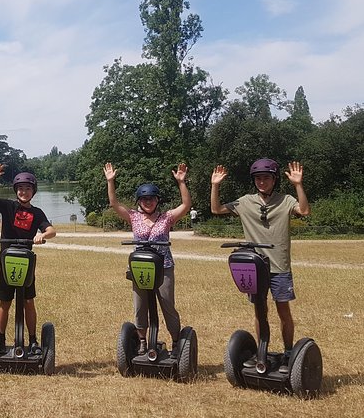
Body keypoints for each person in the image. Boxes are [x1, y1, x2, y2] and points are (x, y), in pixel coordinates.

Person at [210, 159, 310, 373]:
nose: (262, 181)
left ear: (274, 179)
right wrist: (215, 185)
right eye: (258, 178)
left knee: (283, 310)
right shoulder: (245, 202)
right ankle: (261, 351)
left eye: (266, 177)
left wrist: (298, 185)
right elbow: (216, 209)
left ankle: (289, 352)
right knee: (259, 311)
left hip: (279, 266)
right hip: (254, 266)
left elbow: (304, 210)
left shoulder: (285, 200)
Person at [103, 162, 191, 357]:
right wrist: (110, 181)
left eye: (151, 199)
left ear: (157, 200)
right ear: (139, 201)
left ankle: (176, 341)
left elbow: (186, 205)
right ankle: (142, 341)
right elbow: (114, 204)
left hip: (164, 267)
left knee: (167, 304)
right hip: (140, 267)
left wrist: (181, 182)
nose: (148, 202)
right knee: (140, 306)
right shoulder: (133, 217)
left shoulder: (167, 217)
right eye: (144, 199)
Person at [0, 163, 56, 355]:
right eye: (21, 188)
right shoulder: (8, 206)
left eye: (28, 188)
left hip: (26, 261)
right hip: (6, 260)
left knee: (28, 302)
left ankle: (32, 340)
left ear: (33, 191)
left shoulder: (37, 212)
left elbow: (51, 230)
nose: (24, 192)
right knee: (5, 303)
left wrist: (42, 236)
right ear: (16, 190)